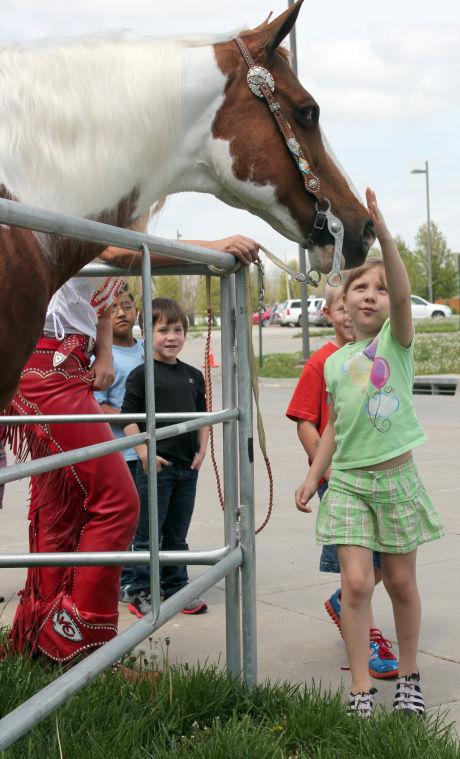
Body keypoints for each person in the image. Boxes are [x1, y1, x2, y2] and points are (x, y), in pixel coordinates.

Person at [294, 188, 445, 718]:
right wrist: (315, 476)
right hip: (352, 484)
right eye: (361, 287)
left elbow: (404, 298)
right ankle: (361, 688)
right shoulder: (336, 363)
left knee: (401, 581)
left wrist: (382, 235)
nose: (372, 295)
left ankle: (409, 675)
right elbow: (333, 426)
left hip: (397, 480)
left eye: (380, 290)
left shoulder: (396, 346)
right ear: (342, 305)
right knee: (356, 583)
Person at [1, 276, 140, 663]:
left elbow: (96, 301)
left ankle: (37, 639)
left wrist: (105, 352)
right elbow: (112, 251)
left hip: (68, 364)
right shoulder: (97, 221)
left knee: (61, 507)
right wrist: (211, 248)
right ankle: (78, 647)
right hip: (46, 363)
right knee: (117, 503)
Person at [287, 282, 399, 680]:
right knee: (356, 571)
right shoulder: (323, 361)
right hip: (339, 477)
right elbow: (307, 420)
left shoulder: (382, 353)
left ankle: (343, 601)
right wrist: (324, 472)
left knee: (385, 563)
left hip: (382, 477)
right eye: (340, 309)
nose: (350, 316)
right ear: (331, 314)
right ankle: (366, 632)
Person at [122, 298, 209, 617]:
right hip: (155, 468)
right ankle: (141, 590)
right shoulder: (141, 374)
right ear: (145, 333)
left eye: (178, 329)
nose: (171, 337)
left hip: (188, 468)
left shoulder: (193, 374)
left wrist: (202, 448)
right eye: (163, 330)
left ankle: (175, 586)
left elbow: (201, 415)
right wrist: (145, 452)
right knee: (147, 535)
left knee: (176, 534)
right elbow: (128, 419)